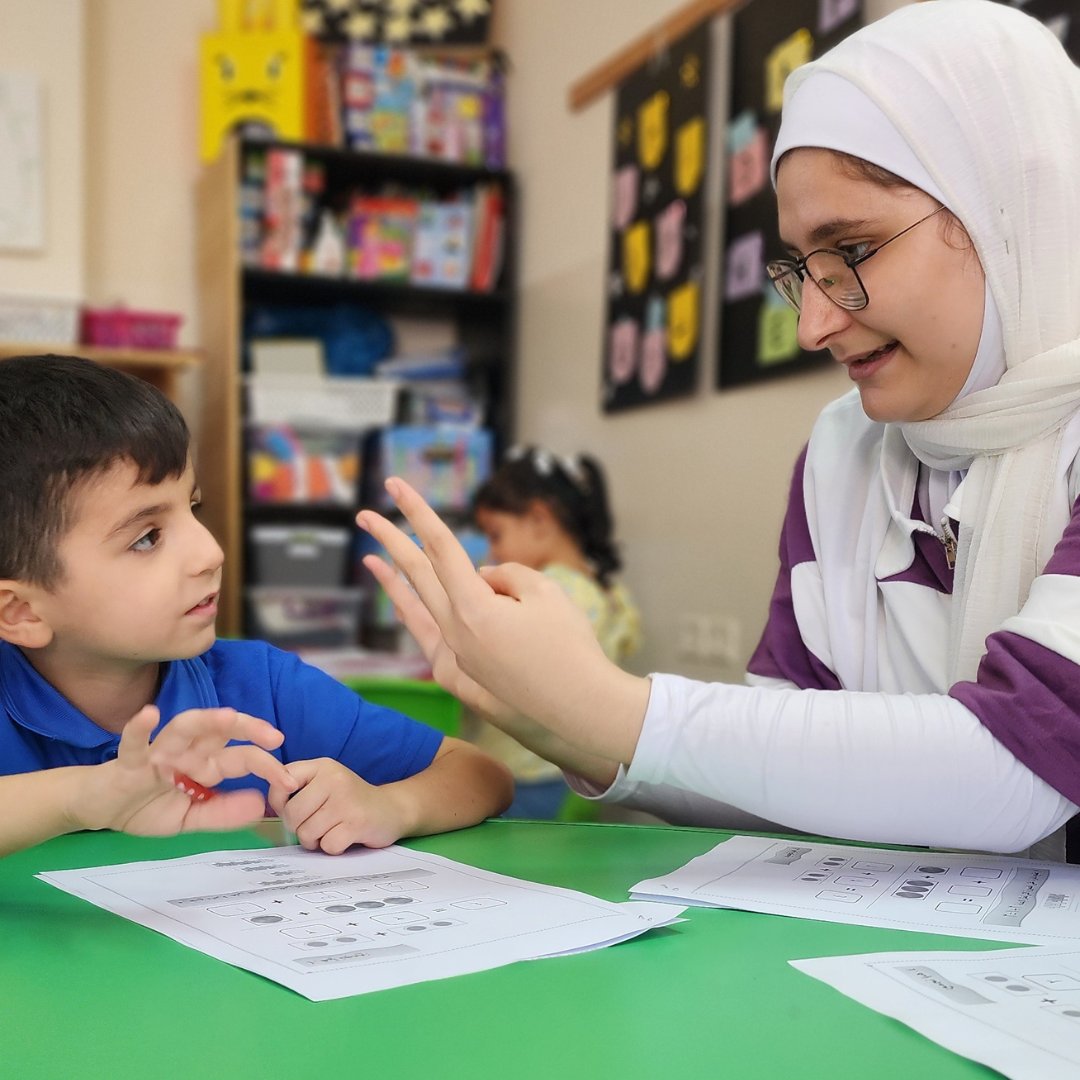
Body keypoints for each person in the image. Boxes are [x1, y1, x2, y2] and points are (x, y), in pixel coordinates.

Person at [357, 0, 1080, 861]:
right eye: (801, 269)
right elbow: (788, 781)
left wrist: (604, 704)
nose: (813, 324)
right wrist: (561, 725)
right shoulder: (843, 456)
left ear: (1009, 207)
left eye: (852, 251)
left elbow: (1023, 765)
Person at [0, 354, 512, 858]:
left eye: (193, 507)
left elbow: (478, 774)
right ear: (21, 612)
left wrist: (391, 806)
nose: (211, 552)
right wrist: (78, 799)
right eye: (147, 537)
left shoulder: (263, 687)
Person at [468, 446, 641, 818]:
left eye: (496, 535)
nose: (492, 552)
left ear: (539, 519)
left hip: (529, 770)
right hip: (579, 773)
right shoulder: (608, 592)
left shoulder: (548, 592)